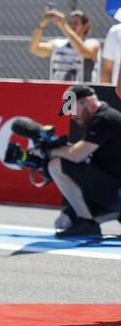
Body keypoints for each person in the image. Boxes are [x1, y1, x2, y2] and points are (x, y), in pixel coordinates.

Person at [47, 85, 121, 239]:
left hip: (116, 191)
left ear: (86, 102)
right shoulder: (101, 119)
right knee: (63, 222)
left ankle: (88, 223)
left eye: (72, 109)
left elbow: (76, 155)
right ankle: (113, 214)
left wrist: (48, 151)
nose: (71, 116)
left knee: (55, 165)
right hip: (113, 188)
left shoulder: (104, 119)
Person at [28, 8, 101, 82]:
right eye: (70, 23)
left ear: (85, 27)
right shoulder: (58, 44)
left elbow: (84, 52)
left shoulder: (92, 43)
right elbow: (34, 48)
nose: (72, 26)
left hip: (82, 92)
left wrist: (63, 26)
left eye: (76, 23)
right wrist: (42, 24)